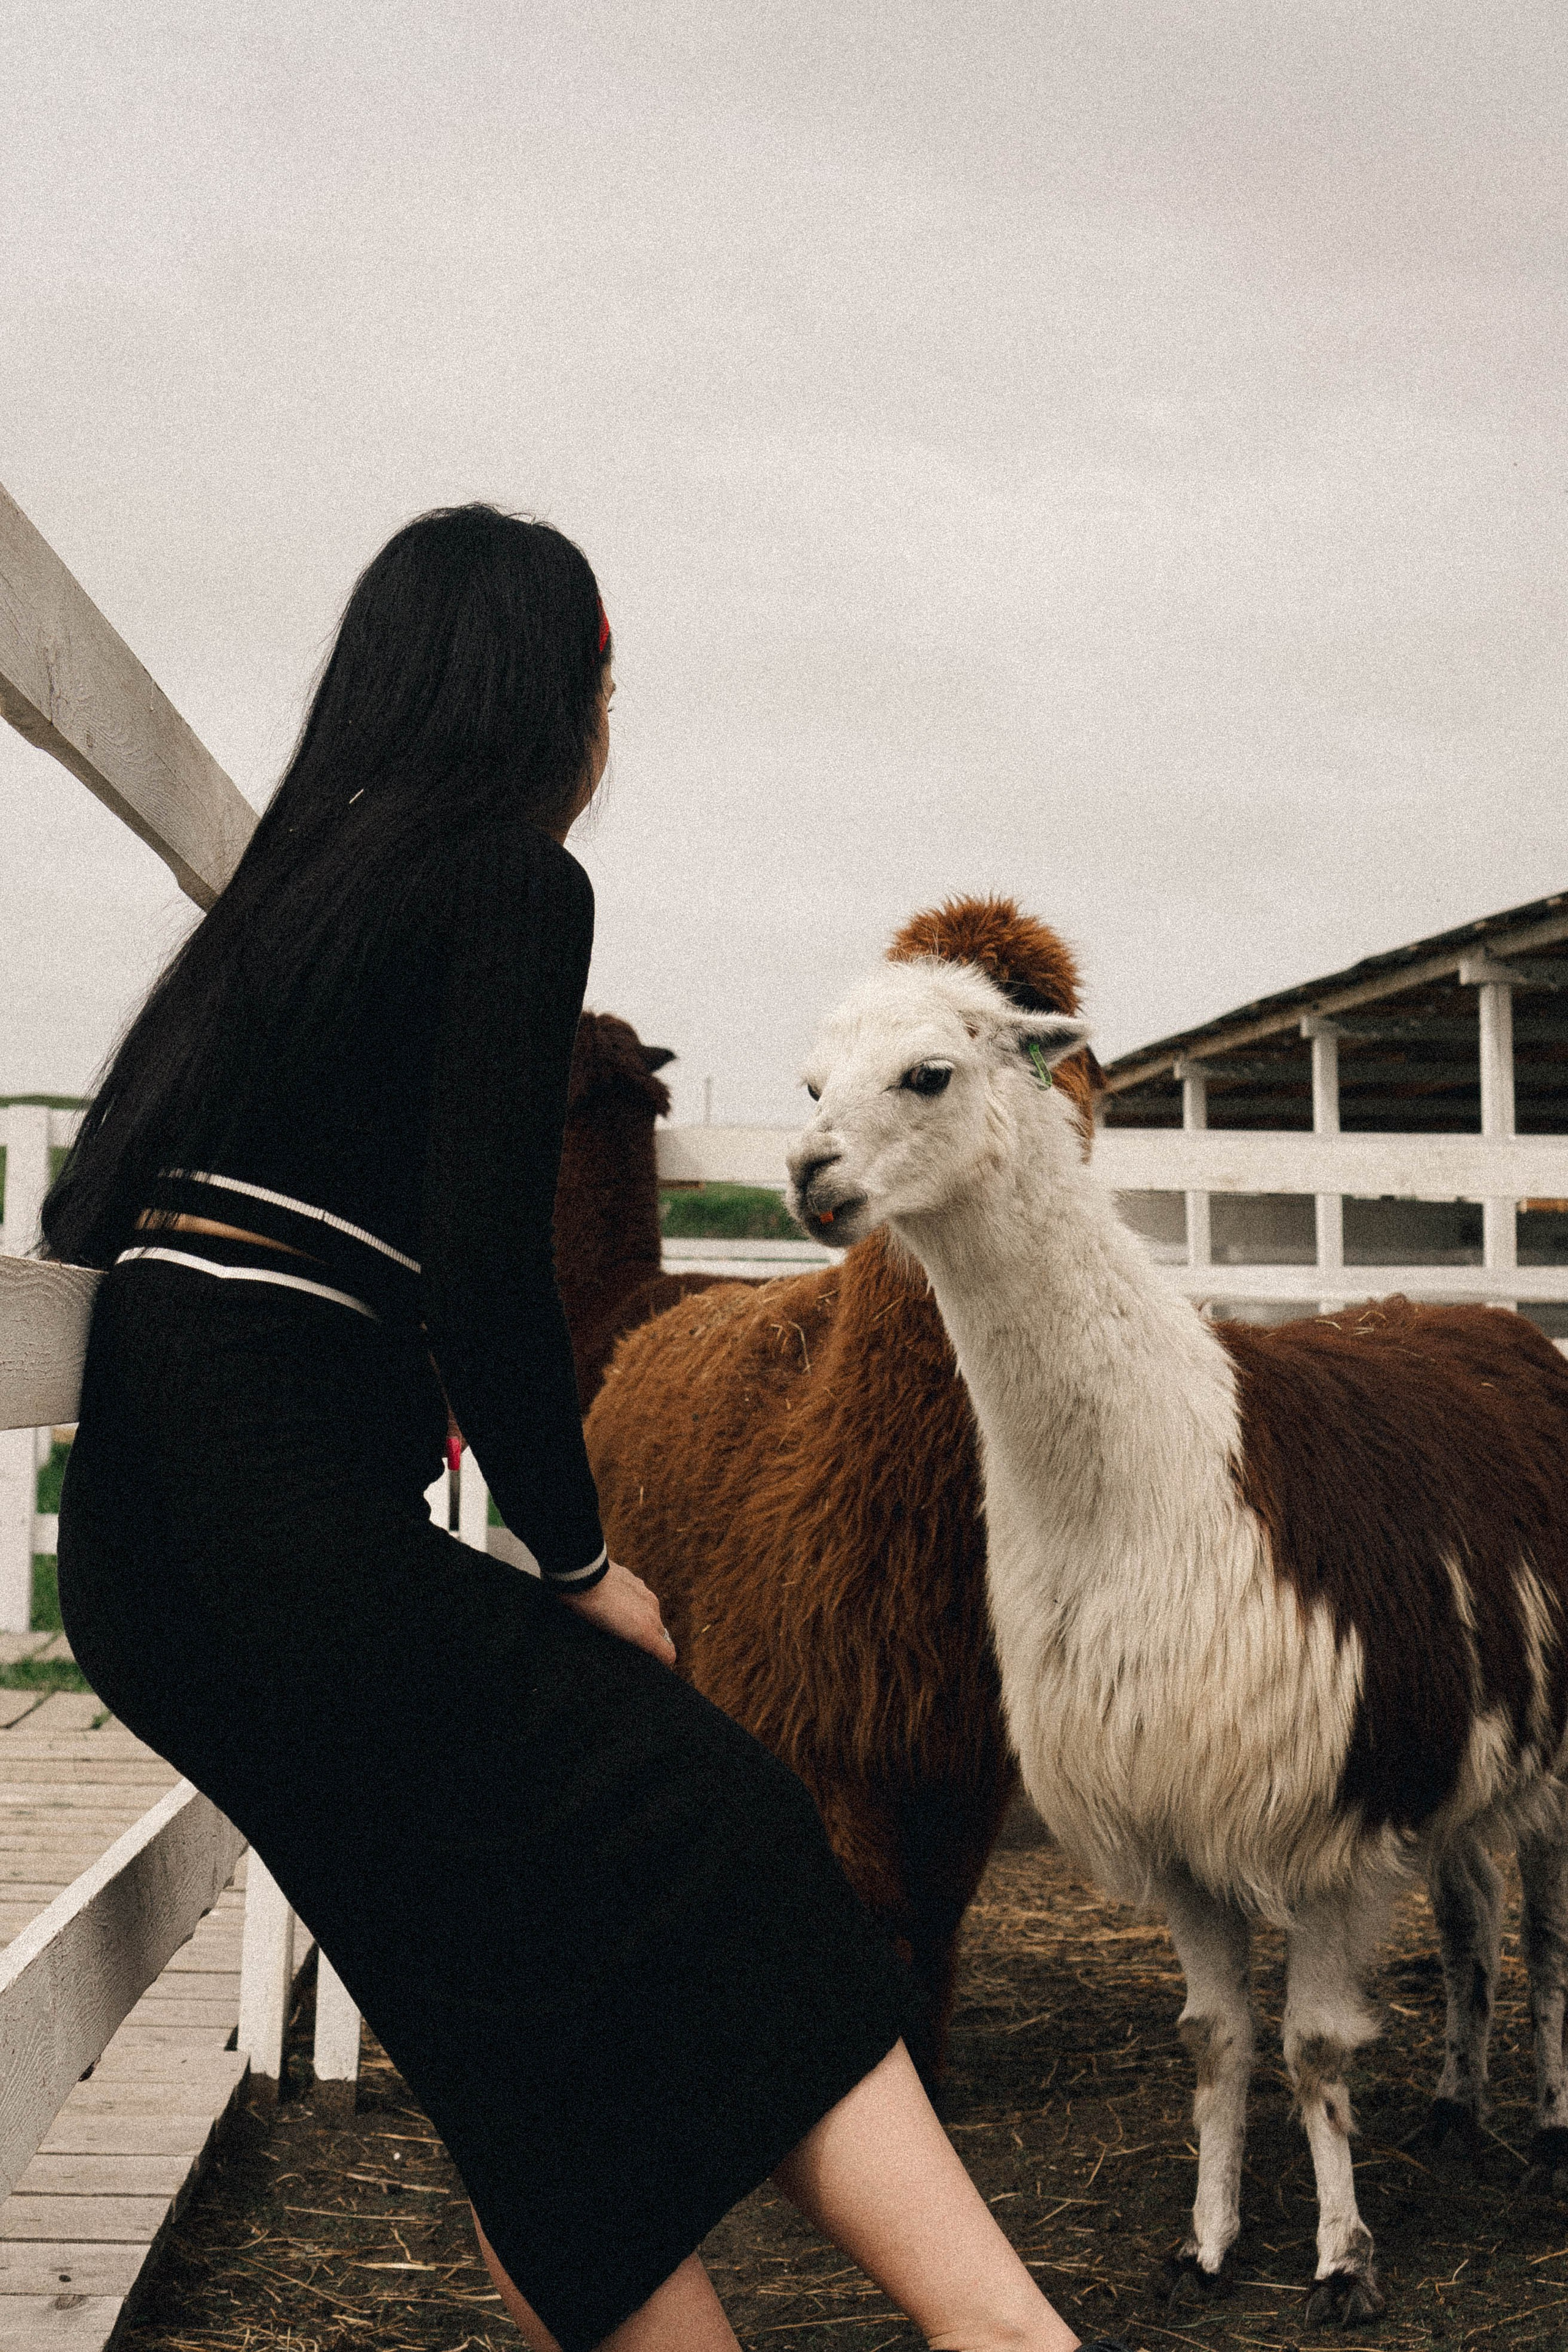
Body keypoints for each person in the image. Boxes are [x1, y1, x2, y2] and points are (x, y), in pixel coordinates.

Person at [45, 506, 1118, 2352]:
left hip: (146, 1573)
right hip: (293, 1546)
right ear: (563, 701)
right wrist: (577, 1559)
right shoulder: (515, 885)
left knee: (504, 2029)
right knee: (725, 1819)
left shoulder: (277, 916)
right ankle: (1001, 2329)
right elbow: (485, 1255)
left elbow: (89, 1216)